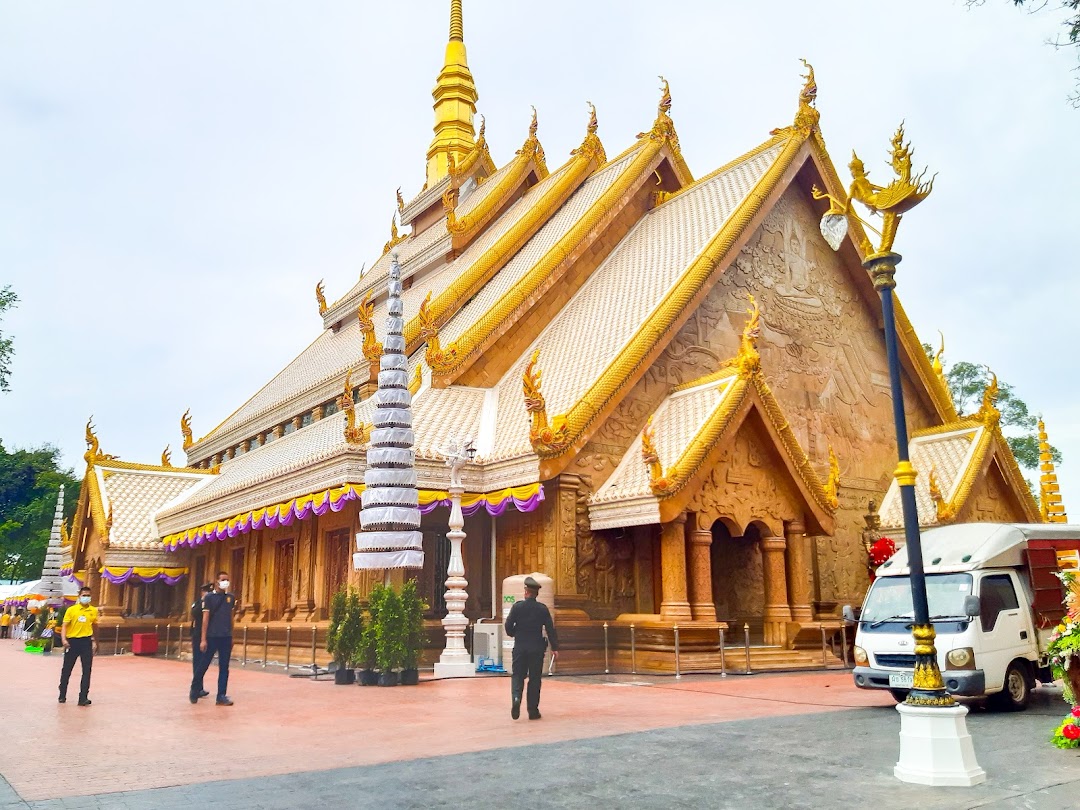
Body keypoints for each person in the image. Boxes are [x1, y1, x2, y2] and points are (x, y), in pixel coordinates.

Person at [504, 576, 558, 720]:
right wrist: (555, 647)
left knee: (517, 676)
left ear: (526, 592)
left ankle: (516, 699)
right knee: (534, 679)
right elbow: (550, 629)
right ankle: (533, 711)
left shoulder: (517, 607)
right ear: (536, 593)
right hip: (536, 648)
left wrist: (514, 633)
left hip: (520, 647)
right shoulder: (542, 609)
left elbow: (508, 626)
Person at [190, 571, 236, 706]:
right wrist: (203, 639)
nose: (225, 582)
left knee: (224, 667)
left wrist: (232, 635)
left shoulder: (230, 598)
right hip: (212, 636)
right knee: (203, 664)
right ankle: (195, 688)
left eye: (227, 580)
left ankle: (221, 695)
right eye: (223, 579)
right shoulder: (209, 598)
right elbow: (205, 619)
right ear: (216, 582)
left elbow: (231, 618)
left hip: (225, 637)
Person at [58, 587, 98, 706]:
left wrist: (95, 641)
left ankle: (83, 697)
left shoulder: (93, 610)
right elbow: (64, 626)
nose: (86, 597)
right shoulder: (72, 610)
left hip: (86, 641)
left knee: (87, 670)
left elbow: (95, 626)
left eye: (88, 595)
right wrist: (64, 639)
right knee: (67, 669)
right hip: (72, 641)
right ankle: (62, 694)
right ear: (79, 596)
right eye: (84, 595)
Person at [188, 583, 214, 700]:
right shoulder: (198, 603)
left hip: (209, 635)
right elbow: (194, 612)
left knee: (204, 662)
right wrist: (203, 601)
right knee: (197, 661)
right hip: (197, 635)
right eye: (206, 592)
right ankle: (197, 688)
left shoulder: (212, 603)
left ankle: (199, 687)